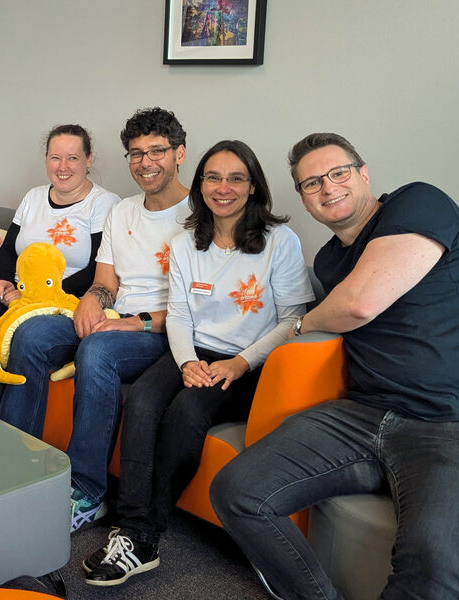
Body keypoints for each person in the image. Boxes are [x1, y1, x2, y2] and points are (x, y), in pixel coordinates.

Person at [210, 133, 459, 600]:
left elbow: (359, 304)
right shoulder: (329, 259)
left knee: (431, 558)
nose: (328, 188)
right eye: (311, 183)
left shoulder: (419, 203)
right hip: (365, 415)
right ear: (302, 197)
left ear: (363, 174)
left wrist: (304, 321)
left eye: (338, 173)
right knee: (238, 491)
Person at [84, 140, 314, 585]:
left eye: (235, 178)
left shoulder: (279, 242)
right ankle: (131, 528)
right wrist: (187, 361)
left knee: (186, 413)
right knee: (145, 402)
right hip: (193, 349)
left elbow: (293, 320)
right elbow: (182, 313)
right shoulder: (187, 242)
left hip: (250, 360)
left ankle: (145, 536)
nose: (222, 188)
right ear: (201, 185)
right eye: (213, 178)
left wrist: (240, 363)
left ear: (253, 186)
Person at [0, 108, 190, 531]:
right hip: (112, 315)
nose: (145, 162)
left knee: (98, 350)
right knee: (30, 335)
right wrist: (91, 300)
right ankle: (11, 464)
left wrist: (131, 322)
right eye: (136, 153)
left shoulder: (200, 215)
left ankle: (87, 492)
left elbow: (196, 309)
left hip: (160, 329)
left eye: (157, 151)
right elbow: (105, 281)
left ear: (180, 154)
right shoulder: (122, 212)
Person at [0, 124, 119, 412]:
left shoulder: (104, 204)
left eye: (72, 158)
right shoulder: (34, 197)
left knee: (16, 333)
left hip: (62, 302)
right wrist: (3, 282)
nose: (62, 167)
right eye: (55, 157)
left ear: (89, 159)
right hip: (18, 296)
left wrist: (34, 298)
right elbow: (10, 249)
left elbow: (96, 269)